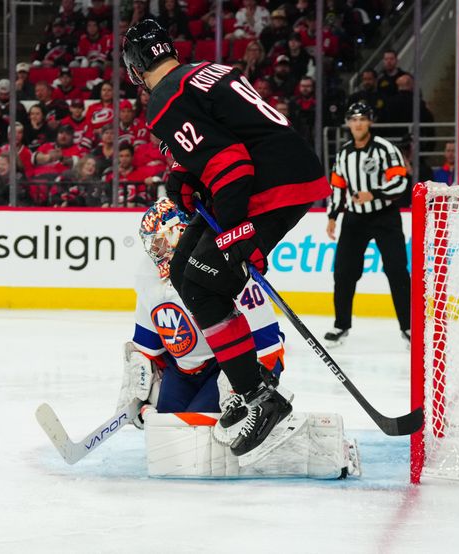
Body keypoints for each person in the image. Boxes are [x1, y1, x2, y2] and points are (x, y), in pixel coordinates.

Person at [122, 20, 330, 460]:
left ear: (136, 69)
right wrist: (183, 173)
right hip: (277, 170)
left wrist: (235, 231)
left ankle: (259, 394)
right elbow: (226, 140)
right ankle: (247, 381)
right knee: (183, 270)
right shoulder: (200, 72)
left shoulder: (163, 99)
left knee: (202, 281)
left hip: (269, 185)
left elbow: (231, 163)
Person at [118, 197, 285, 424]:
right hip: (180, 370)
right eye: (151, 244)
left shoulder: (220, 265)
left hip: (222, 366)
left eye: (159, 241)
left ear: (180, 232)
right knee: (165, 427)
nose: (155, 251)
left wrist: (249, 385)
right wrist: (139, 390)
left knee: (195, 428)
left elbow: (268, 343)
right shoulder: (148, 275)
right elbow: (147, 346)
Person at [325, 101, 410, 347]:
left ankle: (408, 327)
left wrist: (374, 193)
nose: (358, 123)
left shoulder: (386, 149)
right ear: (348, 123)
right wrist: (332, 216)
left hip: (385, 216)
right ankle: (341, 325)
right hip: (355, 219)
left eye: (362, 118)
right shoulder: (343, 154)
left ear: (370, 121)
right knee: (343, 272)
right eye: (354, 119)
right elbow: (338, 188)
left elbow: (401, 182)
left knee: (397, 270)